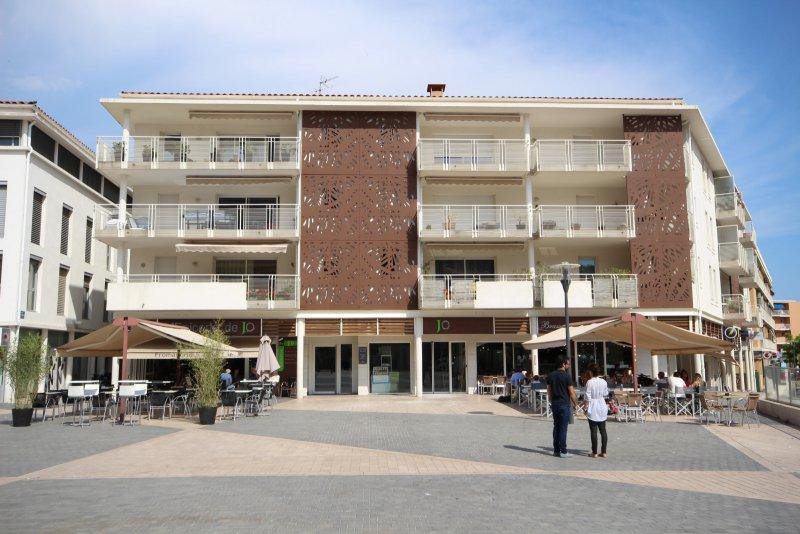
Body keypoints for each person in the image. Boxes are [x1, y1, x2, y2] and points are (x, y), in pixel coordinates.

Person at [547, 357, 579, 458]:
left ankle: (556, 450)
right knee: (563, 428)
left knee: (556, 427)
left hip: (555, 404)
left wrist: (552, 401)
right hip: (564, 404)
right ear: (563, 364)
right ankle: (563, 451)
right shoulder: (567, 376)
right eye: (568, 364)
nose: (569, 366)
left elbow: (549, 392)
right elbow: (571, 392)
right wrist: (576, 404)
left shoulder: (551, 375)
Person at [583, 363, 609, 458]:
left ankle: (594, 452)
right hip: (601, 404)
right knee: (603, 430)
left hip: (593, 405)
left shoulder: (589, 382)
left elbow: (587, 397)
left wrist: (585, 408)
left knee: (593, 430)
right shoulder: (603, 381)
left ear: (590, 372)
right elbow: (606, 393)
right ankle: (604, 451)